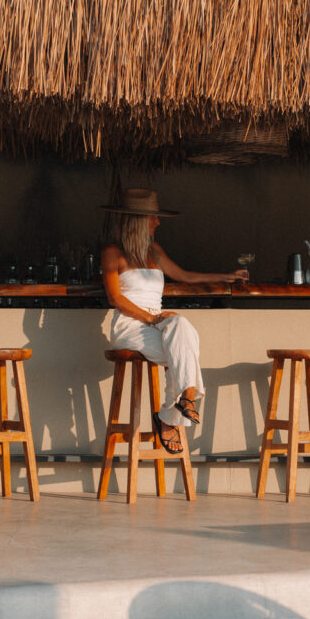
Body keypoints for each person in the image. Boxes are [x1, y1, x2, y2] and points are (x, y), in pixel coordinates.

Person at [101, 188, 246, 454]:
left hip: (158, 324)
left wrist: (225, 277)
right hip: (130, 326)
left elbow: (183, 275)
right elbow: (115, 298)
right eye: (153, 218)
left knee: (180, 326)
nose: (158, 222)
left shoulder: (154, 249)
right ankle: (171, 413)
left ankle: (185, 399)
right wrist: (150, 318)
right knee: (180, 347)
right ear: (138, 221)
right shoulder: (113, 251)